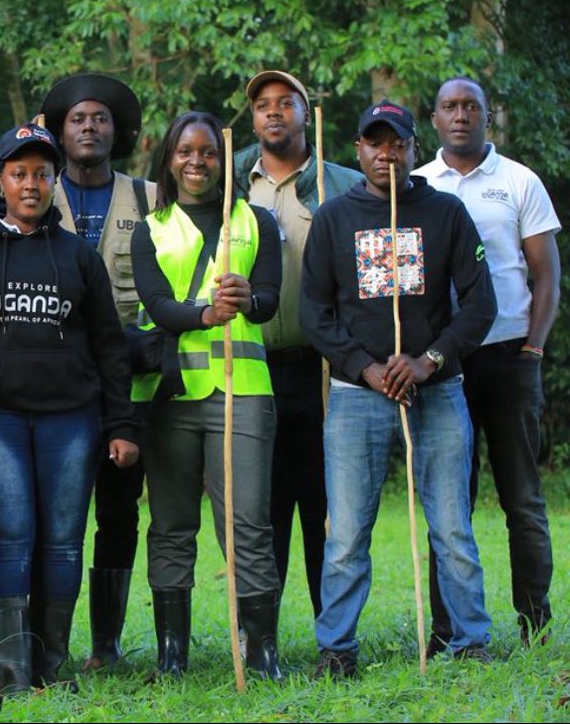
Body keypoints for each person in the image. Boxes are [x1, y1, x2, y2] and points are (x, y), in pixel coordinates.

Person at [0, 123, 140, 694]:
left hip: (71, 418)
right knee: (7, 535)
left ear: (54, 181)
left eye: (41, 174)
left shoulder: (78, 256)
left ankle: (51, 663)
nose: (31, 184)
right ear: (0, 179)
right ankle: (7, 670)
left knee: (60, 539)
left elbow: (109, 345)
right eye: (19, 173)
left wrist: (121, 423)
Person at [301, 101, 496, 678]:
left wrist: (429, 360)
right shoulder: (334, 217)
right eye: (374, 142)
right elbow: (315, 311)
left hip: (437, 391)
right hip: (358, 396)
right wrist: (365, 367)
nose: (386, 153)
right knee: (346, 532)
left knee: (453, 526)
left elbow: (481, 302)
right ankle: (336, 647)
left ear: (414, 149)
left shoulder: (447, 212)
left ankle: (471, 642)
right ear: (357, 149)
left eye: (397, 143)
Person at [131, 111, 283, 681]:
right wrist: (203, 313)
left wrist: (247, 297)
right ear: (169, 159)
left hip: (243, 392)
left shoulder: (256, 220)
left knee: (247, 524)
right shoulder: (152, 228)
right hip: (173, 395)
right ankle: (173, 654)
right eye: (185, 152)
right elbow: (156, 305)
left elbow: (270, 297)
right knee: (171, 524)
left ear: (226, 160)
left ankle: (261, 652)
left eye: (209, 152)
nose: (197, 162)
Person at [417, 77, 561, 651]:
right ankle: (448, 628)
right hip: (444, 363)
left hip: (508, 357)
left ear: (486, 117)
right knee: (447, 502)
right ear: (434, 120)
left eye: (470, 107)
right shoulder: (417, 183)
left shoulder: (518, 181)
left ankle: (535, 622)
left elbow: (546, 275)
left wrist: (534, 349)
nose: (460, 116)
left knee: (522, 499)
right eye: (450, 107)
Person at [233, 70, 363, 618]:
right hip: (251, 364)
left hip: (325, 369)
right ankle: (262, 634)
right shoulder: (231, 182)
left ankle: (329, 628)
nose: (274, 113)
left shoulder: (344, 183)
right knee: (262, 504)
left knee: (323, 500)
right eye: (263, 105)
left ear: (306, 114)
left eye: (286, 103)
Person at [40, 73, 155, 671]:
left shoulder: (150, 196)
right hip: (55, 384)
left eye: (101, 118)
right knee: (54, 517)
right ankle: (45, 641)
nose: (89, 127)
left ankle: (105, 645)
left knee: (117, 512)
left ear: (117, 131)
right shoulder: (34, 189)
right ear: (59, 131)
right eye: (78, 119)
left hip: (129, 385)